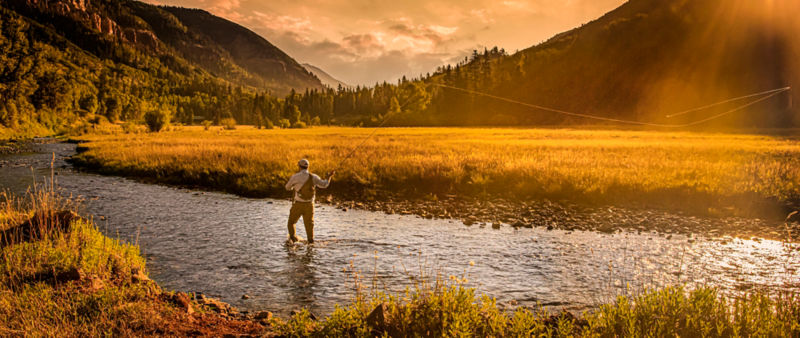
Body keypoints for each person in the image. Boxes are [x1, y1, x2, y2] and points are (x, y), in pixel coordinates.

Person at [284, 159, 334, 244]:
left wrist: (294, 187)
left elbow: (287, 187)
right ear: (308, 167)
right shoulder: (313, 177)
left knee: (291, 222)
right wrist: (329, 177)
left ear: (299, 166)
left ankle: (293, 240)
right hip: (310, 205)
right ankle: (311, 242)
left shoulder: (295, 177)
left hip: (298, 204)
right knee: (309, 225)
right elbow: (324, 184)